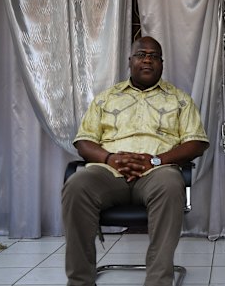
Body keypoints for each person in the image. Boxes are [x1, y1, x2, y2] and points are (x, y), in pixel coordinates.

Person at [62, 36, 209, 286]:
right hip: (108, 172)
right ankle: (80, 282)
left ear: (162, 64)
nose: (147, 59)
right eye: (141, 54)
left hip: (156, 172)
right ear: (130, 61)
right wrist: (111, 158)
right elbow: (83, 141)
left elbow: (196, 142)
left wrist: (155, 160)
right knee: (76, 185)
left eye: (154, 56)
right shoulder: (106, 98)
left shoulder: (180, 100)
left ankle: (157, 282)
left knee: (171, 183)